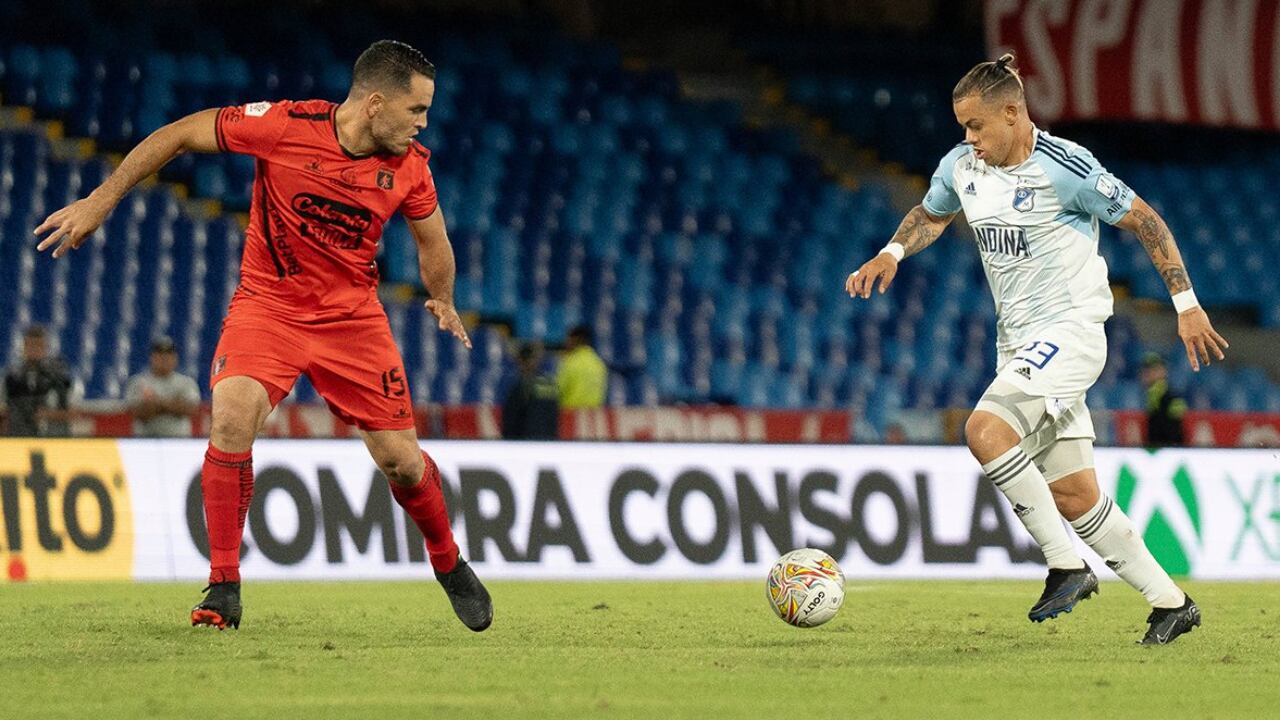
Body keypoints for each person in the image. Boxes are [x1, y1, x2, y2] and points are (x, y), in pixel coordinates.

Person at [34, 40, 491, 632]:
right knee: (230, 418)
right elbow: (179, 132)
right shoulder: (283, 125)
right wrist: (102, 199)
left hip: (351, 319)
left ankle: (448, 561)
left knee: (401, 462)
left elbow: (434, 243)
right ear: (376, 103)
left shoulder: (409, 167)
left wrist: (445, 298)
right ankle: (223, 584)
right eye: (417, 110)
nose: (424, 123)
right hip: (268, 306)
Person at [846, 53, 1228, 645]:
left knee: (985, 431)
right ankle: (1171, 604)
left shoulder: (1066, 168)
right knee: (1075, 495)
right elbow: (931, 211)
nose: (968, 139)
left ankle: (1066, 565)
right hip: (1019, 342)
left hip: (1072, 332)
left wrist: (1187, 306)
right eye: (962, 129)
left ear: (1012, 111)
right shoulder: (962, 166)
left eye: (976, 126)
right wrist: (891, 254)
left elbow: (1148, 222)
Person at [1, 325, 75, 437]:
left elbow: (75, 413)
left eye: (39, 346)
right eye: (31, 345)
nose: (34, 350)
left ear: (46, 348)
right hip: (18, 439)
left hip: (54, 441)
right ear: (24, 347)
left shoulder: (60, 376)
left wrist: (50, 415)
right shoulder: (11, 377)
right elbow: (4, 412)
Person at [125, 337, 202, 437]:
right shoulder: (138, 382)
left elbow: (190, 409)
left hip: (179, 442)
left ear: (175, 358)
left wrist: (156, 402)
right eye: (160, 354)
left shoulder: (186, 382)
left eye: (169, 354)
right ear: (152, 357)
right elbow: (136, 412)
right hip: (145, 441)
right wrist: (174, 402)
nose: (164, 359)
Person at [502, 341, 560, 439]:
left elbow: (511, 422)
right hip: (550, 442)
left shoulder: (521, 386)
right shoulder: (550, 384)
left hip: (528, 444)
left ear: (520, 361)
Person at [1140, 353, 1187, 447]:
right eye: (1146, 370)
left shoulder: (1171, 397)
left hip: (1167, 452)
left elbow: (1176, 432)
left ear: (1163, 371)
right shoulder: (1146, 395)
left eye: (1153, 369)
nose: (1147, 373)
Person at [557, 324, 607, 409]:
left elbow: (559, 390)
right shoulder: (598, 363)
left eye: (568, 339)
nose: (566, 343)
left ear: (576, 339)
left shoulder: (571, 362)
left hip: (571, 414)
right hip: (592, 414)